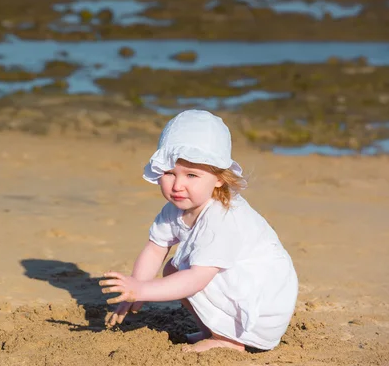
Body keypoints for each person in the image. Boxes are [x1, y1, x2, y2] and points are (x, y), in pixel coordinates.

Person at [99, 109, 298, 353]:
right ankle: (212, 330)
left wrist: (142, 289)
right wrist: (136, 290)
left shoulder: (221, 217)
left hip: (262, 307)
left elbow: (196, 280)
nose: (178, 185)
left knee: (186, 271)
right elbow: (155, 249)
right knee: (173, 267)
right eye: (169, 173)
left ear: (218, 178)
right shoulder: (175, 209)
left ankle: (229, 340)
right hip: (239, 292)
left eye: (191, 175)